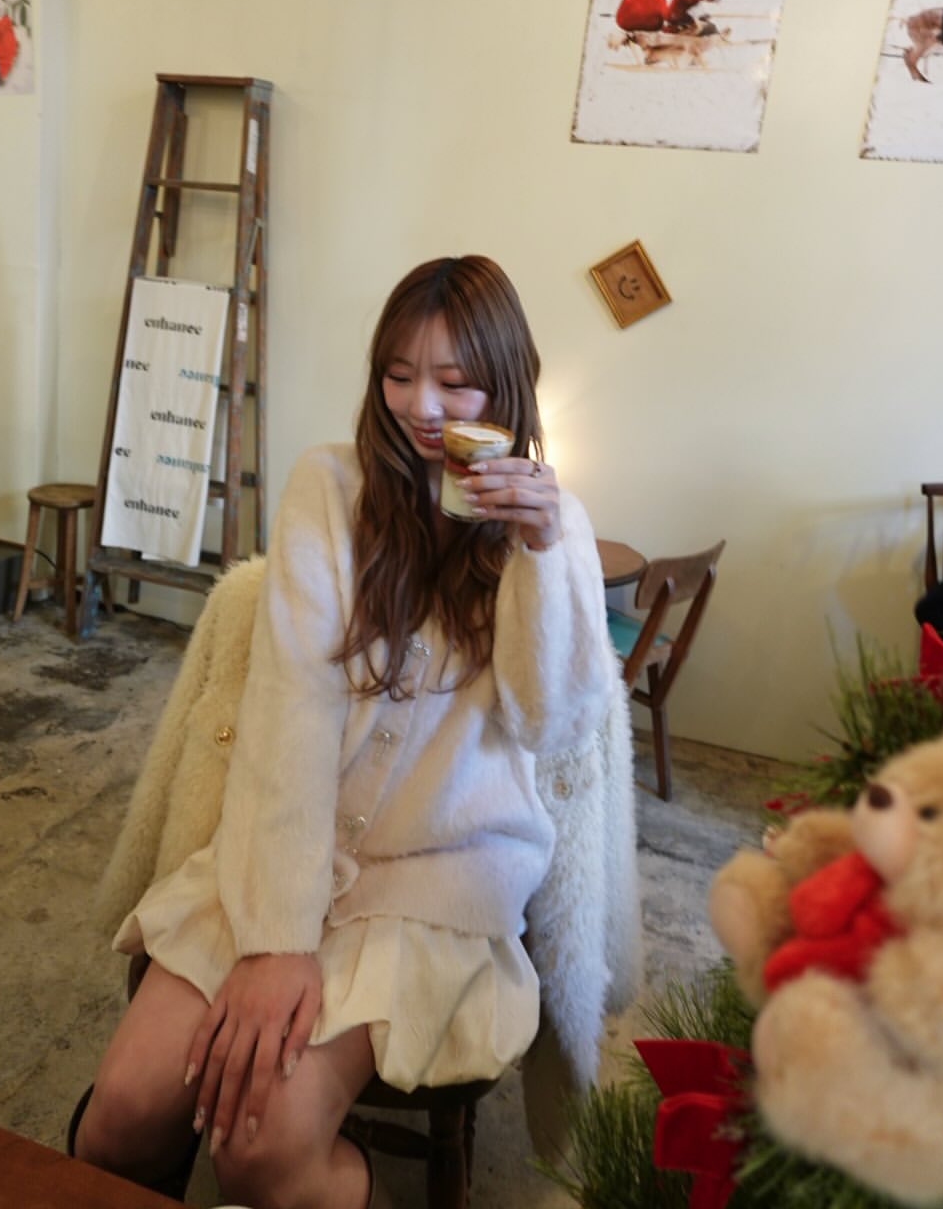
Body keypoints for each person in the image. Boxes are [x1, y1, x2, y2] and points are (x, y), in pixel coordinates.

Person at [72, 255, 614, 1209]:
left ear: (505, 387)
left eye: (455, 382)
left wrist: (542, 550)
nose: (422, 407)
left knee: (260, 1153)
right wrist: (277, 939)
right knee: (120, 1116)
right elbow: (290, 709)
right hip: (289, 851)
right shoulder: (329, 487)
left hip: (437, 880)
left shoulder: (549, 524)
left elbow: (553, 722)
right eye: (399, 374)